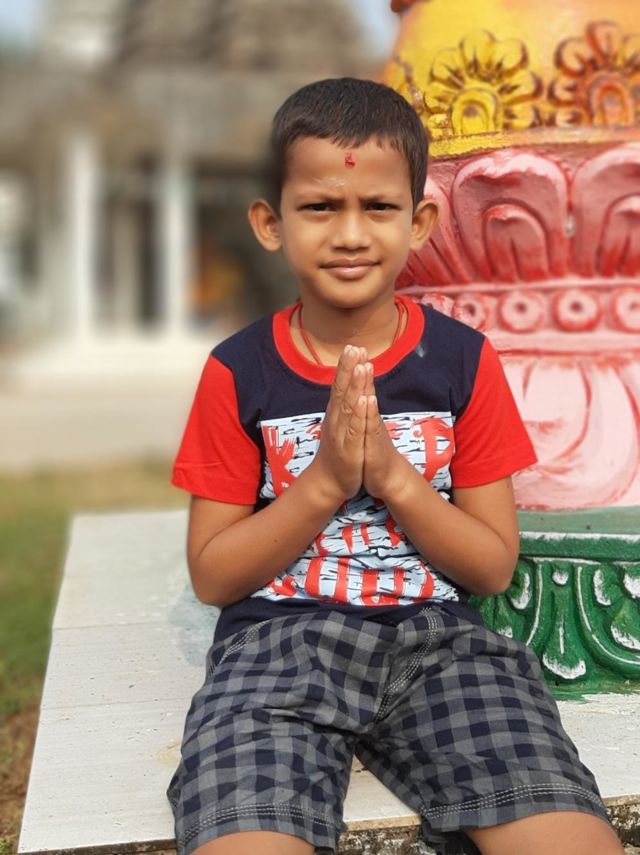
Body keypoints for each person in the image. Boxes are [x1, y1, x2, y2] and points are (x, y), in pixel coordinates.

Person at [166, 78, 623, 855]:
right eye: (320, 207)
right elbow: (213, 575)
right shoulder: (238, 372)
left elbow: (490, 564)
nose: (350, 233)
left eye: (377, 207)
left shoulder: (462, 362)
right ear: (271, 224)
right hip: (276, 650)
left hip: (442, 651)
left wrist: (394, 478)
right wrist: (322, 483)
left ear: (419, 223)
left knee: (562, 831)